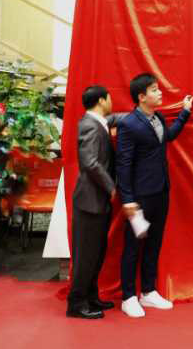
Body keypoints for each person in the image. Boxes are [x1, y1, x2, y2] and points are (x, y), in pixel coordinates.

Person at [116, 73, 192, 318]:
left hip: (161, 192)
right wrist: (127, 199)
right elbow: (123, 164)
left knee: (154, 243)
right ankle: (128, 297)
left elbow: (167, 137)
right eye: (155, 90)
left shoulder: (158, 117)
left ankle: (148, 291)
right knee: (133, 247)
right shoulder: (129, 124)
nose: (160, 93)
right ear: (141, 97)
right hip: (139, 197)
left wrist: (185, 112)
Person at [67, 85, 118, 319]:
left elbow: (116, 119)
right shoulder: (89, 125)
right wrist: (111, 187)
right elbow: (90, 162)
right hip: (89, 201)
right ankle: (76, 304)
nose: (112, 102)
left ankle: (90, 296)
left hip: (97, 201)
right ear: (101, 100)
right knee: (86, 255)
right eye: (110, 98)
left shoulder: (99, 122)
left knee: (96, 254)